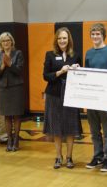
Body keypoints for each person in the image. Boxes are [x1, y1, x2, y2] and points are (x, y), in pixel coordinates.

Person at [43, 27, 82, 169]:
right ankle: (58, 157)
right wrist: (60, 72)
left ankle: (69, 157)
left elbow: (81, 77)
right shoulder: (50, 55)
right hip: (54, 94)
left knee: (70, 127)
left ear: (69, 40)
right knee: (57, 127)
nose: (62, 41)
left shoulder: (76, 55)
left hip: (71, 95)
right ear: (56, 40)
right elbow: (46, 76)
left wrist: (78, 69)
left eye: (64, 38)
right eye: (59, 38)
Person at [85, 23, 107, 172]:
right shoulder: (88, 53)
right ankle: (98, 155)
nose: (95, 36)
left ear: (103, 35)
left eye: (98, 34)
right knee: (94, 131)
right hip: (92, 97)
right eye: (93, 34)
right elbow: (85, 74)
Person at [0, 32, 24, 152]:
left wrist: (10, 64)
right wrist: (2, 66)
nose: (6, 43)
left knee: (16, 115)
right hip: (3, 88)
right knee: (6, 115)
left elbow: (19, 71)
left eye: (8, 40)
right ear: (1, 43)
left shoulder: (18, 53)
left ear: (12, 42)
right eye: (3, 41)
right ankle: (9, 140)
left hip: (16, 87)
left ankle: (16, 140)